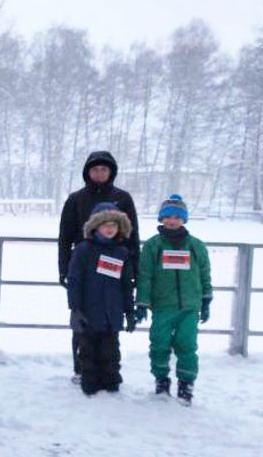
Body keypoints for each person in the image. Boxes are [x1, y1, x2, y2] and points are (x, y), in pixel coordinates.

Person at [58, 150, 141, 379]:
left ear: (112, 171)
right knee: (82, 320)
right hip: (84, 266)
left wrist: (134, 268)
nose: (99, 173)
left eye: (104, 169)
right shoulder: (76, 199)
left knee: (109, 322)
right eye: (95, 169)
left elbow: (133, 235)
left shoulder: (123, 198)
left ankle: (107, 371)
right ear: (87, 172)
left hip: (115, 266)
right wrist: (64, 269)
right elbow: (65, 236)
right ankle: (80, 368)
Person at [135, 194, 212, 405]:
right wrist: (142, 302)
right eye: (168, 216)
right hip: (162, 306)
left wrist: (206, 299)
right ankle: (161, 380)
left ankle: (186, 384)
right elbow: (145, 275)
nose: (173, 220)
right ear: (161, 219)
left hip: (189, 307)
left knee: (187, 345)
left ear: (184, 220)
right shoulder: (153, 246)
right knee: (159, 343)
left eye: (178, 217)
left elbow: (204, 273)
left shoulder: (196, 245)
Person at [66, 202, 137, 396]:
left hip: (112, 315)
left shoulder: (122, 253)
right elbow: (74, 281)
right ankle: (89, 382)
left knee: (111, 351)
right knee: (88, 351)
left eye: (114, 225)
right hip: (88, 313)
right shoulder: (83, 250)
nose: (109, 228)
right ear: (95, 226)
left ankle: (111, 381)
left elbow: (126, 285)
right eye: (105, 224)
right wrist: (75, 309)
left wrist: (129, 311)